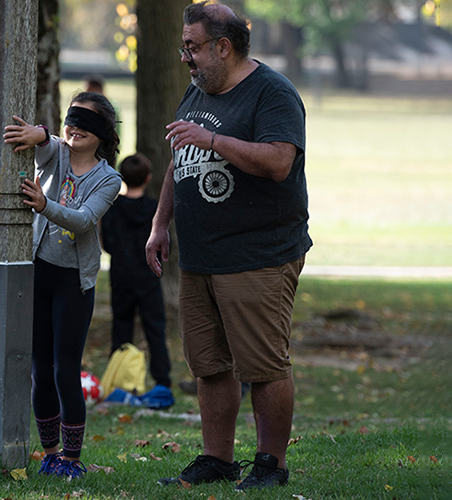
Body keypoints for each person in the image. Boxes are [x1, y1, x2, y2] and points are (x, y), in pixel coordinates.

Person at [146, 1, 311, 491]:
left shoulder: (273, 93)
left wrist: (213, 140)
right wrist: (160, 224)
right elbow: (180, 162)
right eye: (182, 47)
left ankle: (271, 464)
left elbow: (280, 161)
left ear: (224, 47)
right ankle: (217, 459)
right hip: (200, 258)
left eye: (192, 47)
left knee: (263, 365)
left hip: (257, 255)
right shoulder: (197, 94)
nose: (185, 57)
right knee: (209, 364)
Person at [3, 92, 122, 479]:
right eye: (72, 120)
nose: (76, 129)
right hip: (40, 273)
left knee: (64, 370)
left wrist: (43, 205)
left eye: (86, 124)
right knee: (40, 368)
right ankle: (50, 453)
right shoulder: (56, 153)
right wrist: (37, 131)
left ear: (102, 133)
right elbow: (44, 138)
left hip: (74, 282)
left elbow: (85, 220)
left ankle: (72, 458)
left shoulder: (109, 179)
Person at [100, 153, 173, 394]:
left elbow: (107, 244)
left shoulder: (111, 208)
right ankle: (162, 380)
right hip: (149, 276)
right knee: (155, 327)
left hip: (121, 276)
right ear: (149, 178)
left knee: (121, 327)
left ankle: (119, 381)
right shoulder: (155, 209)